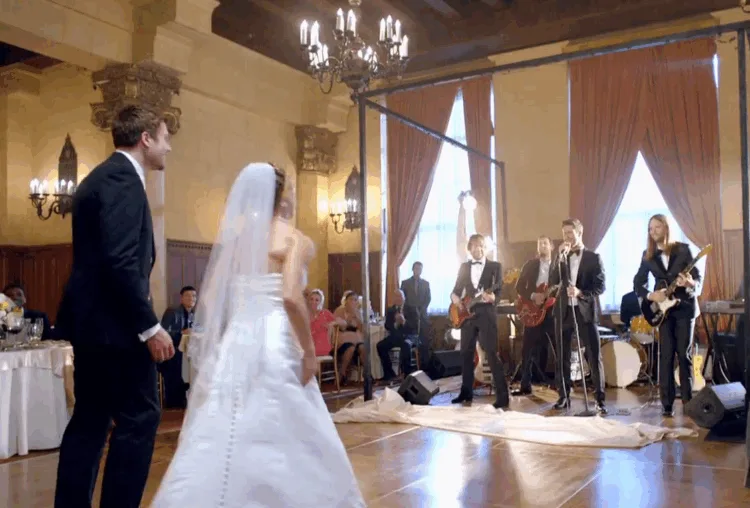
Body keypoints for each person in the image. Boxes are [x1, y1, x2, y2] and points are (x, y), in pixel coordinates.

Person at [151, 163, 365, 507]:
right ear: (282, 198)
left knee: (230, 421)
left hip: (239, 338)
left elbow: (212, 298)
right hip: (275, 336)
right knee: (290, 420)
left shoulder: (238, 243)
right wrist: (309, 352)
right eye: (291, 191)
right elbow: (291, 297)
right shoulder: (293, 239)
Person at [54, 105, 176, 508]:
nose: (168, 147)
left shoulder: (100, 177)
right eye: (164, 138)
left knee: (90, 420)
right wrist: (150, 326)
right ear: (145, 138)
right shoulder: (123, 180)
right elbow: (120, 262)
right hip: (117, 328)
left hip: (93, 325)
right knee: (140, 418)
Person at [633, 214, 701, 417]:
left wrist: (689, 283)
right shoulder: (647, 255)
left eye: (657, 227)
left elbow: (697, 279)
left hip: (684, 308)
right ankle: (667, 405)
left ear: (666, 228)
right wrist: (651, 295)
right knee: (666, 356)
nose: (653, 231)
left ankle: (688, 402)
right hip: (663, 312)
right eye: (650, 228)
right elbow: (637, 283)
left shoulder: (683, 250)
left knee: (684, 355)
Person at [549, 218, 607, 414]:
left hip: (585, 312)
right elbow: (552, 281)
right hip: (563, 311)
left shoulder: (593, 257)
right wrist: (558, 258)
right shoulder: (562, 257)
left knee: (593, 355)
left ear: (579, 233)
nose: (566, 237)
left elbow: (600, 286)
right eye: (564, 233)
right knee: (562, 356)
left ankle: (600, 399)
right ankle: (563, 396)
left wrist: (580, 292)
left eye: (570, 233)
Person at [449, 234, 509, 409]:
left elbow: (499, 292)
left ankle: (503, 396)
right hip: (467, 315)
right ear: (469, 248)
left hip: (486, 313)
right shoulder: (464, 267)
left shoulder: (495, 266)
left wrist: (493, 298)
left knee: (491, 353)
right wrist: (456, 301)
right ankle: (466, 392)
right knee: (466, 353)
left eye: (481, 245)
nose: (478, 248)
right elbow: (455, 291)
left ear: (485, 248)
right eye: (475, 245)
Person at [512, 236, 555, 396]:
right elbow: (518, 287)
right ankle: (525, 384)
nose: (542, 246)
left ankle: (562, 385)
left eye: (545, 243)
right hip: (532, 310)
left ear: (551, 246)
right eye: (539, 244)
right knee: (527, 349)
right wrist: (532, 296)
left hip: (552, 311)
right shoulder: (529, 265)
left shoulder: (558, 266)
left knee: (557, 347)